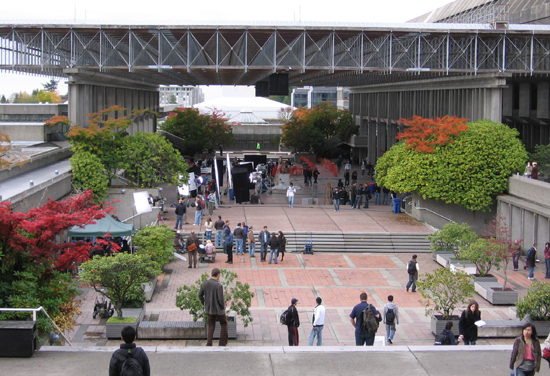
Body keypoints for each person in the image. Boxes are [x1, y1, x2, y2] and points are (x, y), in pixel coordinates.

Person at [199, 268, 229, 346]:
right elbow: (220, 299)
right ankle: (222, 343)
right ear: (218, 274)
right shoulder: (218, 286)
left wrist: (204, 303)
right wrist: (223, 307)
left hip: (209, 309)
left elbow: (200, 295)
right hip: (218, 310)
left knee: (211, 326)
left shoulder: (204, 283)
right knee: (224, 323)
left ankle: (209, 343)